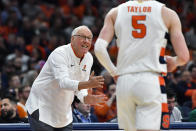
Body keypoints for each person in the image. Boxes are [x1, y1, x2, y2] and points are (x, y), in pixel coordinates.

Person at [94, 0, 190, 131]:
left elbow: (99, 48)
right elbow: (184, 57)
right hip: (150, 80)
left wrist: (114, 72)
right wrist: (174, 62)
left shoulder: (115, 12)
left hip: (124, 81)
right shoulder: (167, 13)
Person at [26, 25, 106, 131]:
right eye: (83, 37)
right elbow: (63, 83)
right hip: (42, 108)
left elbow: (80, 86)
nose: (86, 41)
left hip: (63, 114)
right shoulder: (60, 53)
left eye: (89, 38)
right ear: (72, 38)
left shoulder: (89, 58)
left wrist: (85, 98)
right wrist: (88, 84)